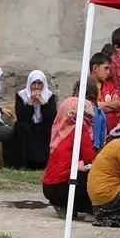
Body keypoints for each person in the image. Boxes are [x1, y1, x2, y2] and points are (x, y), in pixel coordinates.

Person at [41, 90, 98, 219]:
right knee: (93, 173)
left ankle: (63, 205)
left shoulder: (59, 131)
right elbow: (90, 159)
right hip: (65, 186)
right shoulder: (80, 130)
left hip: (48, 187)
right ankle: (90, 210)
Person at [12, 70, 57, 169]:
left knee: (49, 127)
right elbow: (21, 116)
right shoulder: (21, 95)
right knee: (21, 126)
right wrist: (30, 101)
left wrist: (41, 100)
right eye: (34, 83)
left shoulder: (50, 96)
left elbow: (51, 116)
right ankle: (23, 162)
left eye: (39, 83)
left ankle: (44, 161)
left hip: (43, 126)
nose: (36, 87)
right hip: (29, 125)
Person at [90, 53, 115, 147]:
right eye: (106, 68)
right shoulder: (84, 86)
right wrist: (109, 106)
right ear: (95, 68)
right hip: (92, 136)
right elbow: (89, 107)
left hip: (109, 133)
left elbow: (119, 103)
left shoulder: (109, 85)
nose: (108, 72)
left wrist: (99, 105)